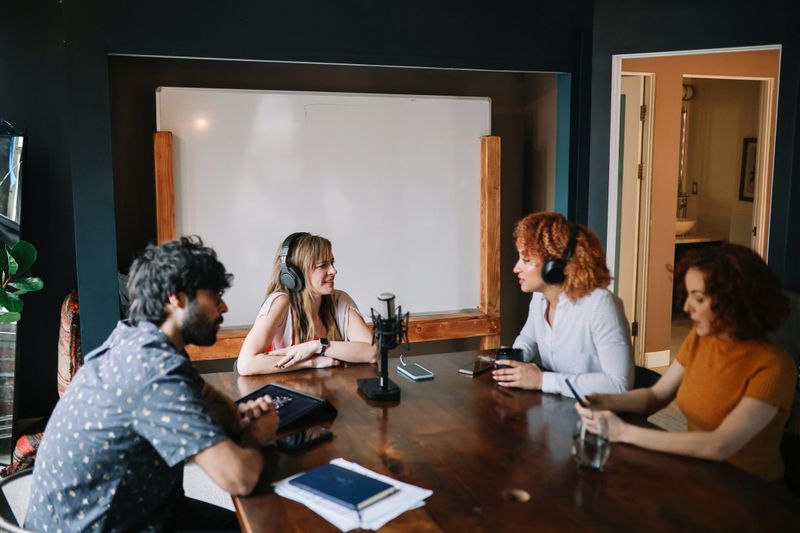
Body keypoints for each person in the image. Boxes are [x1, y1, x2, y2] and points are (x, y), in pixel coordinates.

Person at [26, 236, 279, 532]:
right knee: (269, 522)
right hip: (106, 527)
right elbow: (239, 478)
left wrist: (238, 418)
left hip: (146, 511)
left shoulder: (136, 340)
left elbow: (207, 398)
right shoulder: (153, 371)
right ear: (177, 298)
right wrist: (258, 435)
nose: (223, 306)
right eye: (215, 295)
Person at [576, 243, 796, 481]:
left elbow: (719, 445)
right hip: (700, 474)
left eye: (698, 299)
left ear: (735, 301)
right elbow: (656, 397)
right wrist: (604, 400)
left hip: (750, 492)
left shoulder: (774, 367)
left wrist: (623, 432)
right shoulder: (701, 340)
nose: (686, 307)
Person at [493, 212, 633, 395]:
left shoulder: (600, 305)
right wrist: (513, 359)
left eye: (526, 260)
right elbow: (528, 339)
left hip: (596, 416)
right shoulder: (540, 298)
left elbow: (619, 385)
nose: (516, 268)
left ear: (554, 266)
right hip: (556, 408)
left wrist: (541, 380)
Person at [236, 232, 377, 375]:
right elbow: (246, 364)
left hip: (332, 390)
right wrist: (312, 362)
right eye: (323, 265)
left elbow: (372, 352)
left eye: (332, 263)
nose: (334, 271)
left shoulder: (339, 299)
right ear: (295, 273)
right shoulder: (281, 302)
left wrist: (316, 346)